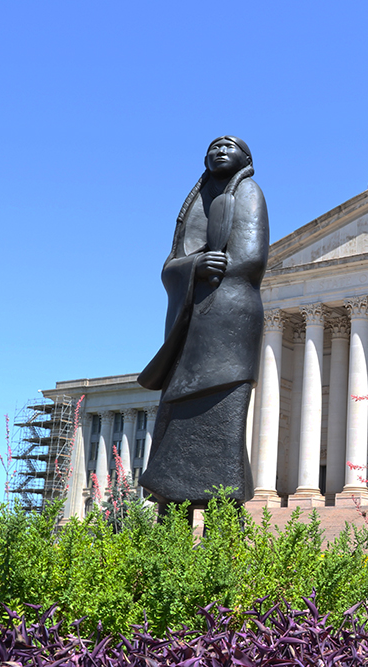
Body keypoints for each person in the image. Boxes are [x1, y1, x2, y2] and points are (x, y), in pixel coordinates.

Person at [138, 136, 268, 507]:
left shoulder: (250, 194)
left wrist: (219, 266)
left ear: (246, 157)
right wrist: (196, 264)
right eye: (213, 146)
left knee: (223, 426)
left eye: (229, 146)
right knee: (175, 423)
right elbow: (170, 265)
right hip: (189, 328)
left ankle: (223, 524)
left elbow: (251, 258)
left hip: (229, 325)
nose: (219, 151)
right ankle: (172, 515)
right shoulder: (195, 204)